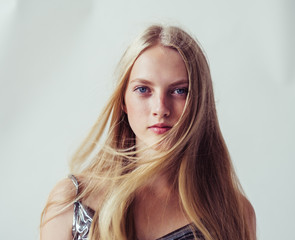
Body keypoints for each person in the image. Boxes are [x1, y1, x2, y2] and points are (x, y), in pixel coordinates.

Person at [40, 24, 256, 240]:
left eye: (179, 91)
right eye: (143, 90)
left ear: (200, 101)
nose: (160, 109)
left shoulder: (235, 214)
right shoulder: (70, 202)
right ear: (123, 100)